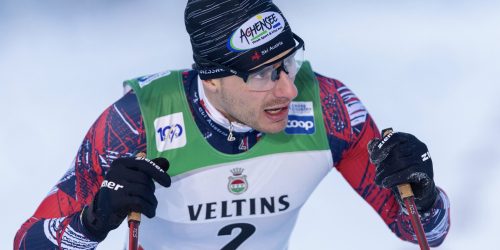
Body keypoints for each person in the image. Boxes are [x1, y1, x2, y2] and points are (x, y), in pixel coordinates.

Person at [14, 0, 450, 249]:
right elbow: (25, 243)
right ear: (213, 79)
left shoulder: (332, 110)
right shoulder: (134, 126)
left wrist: (424, 194)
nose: (288, 90)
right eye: (263, 74)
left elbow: (423, 231)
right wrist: (91, 223)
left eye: (289, 64)